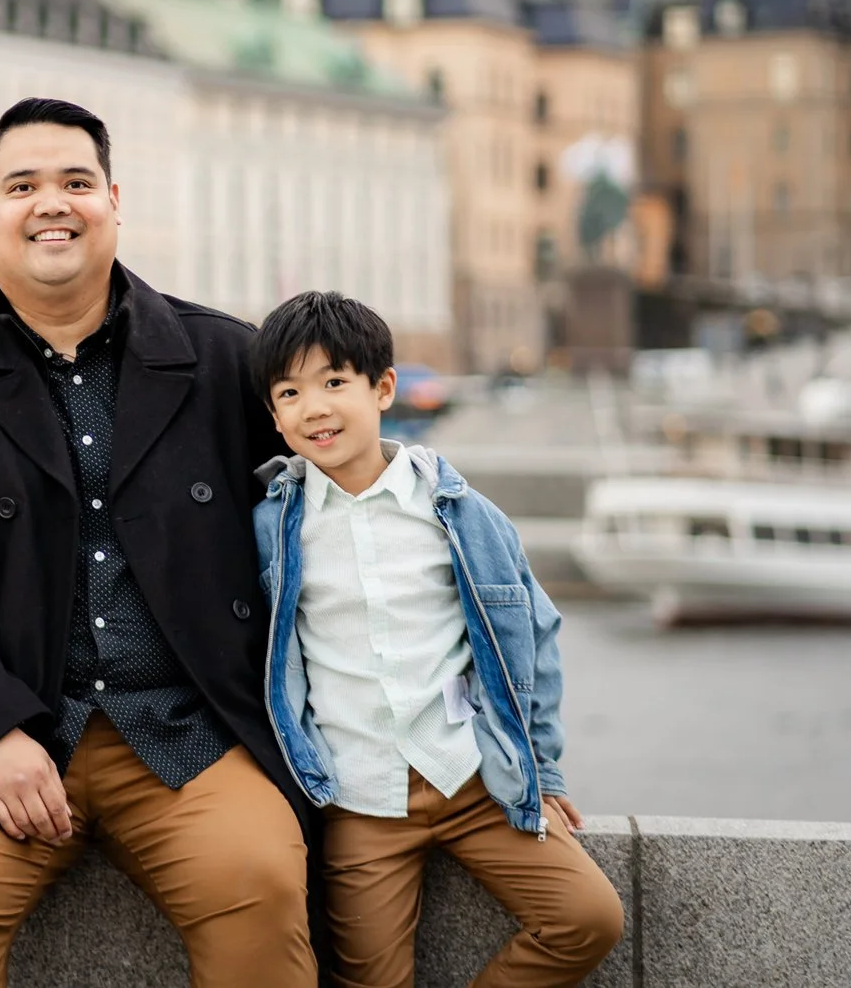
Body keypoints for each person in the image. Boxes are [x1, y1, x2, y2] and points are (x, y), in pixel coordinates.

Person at [0, 97, 316, 988]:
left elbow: (326, 525)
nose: (51, 203)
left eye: (75, 182)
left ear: (113, 198)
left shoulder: (225, 358)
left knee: (258, 881)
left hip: (190, 728)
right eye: (22, 185)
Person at [251, 290, 625, 988]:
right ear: (274, 416)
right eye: (290, 391)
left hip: (474, 781)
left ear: (383, 387)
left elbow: (533, 634)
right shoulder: (274, 529)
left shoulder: (456, 510)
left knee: (589, 916)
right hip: (361, 800)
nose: (316, 406)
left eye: (335, 381)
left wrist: (539, 770)